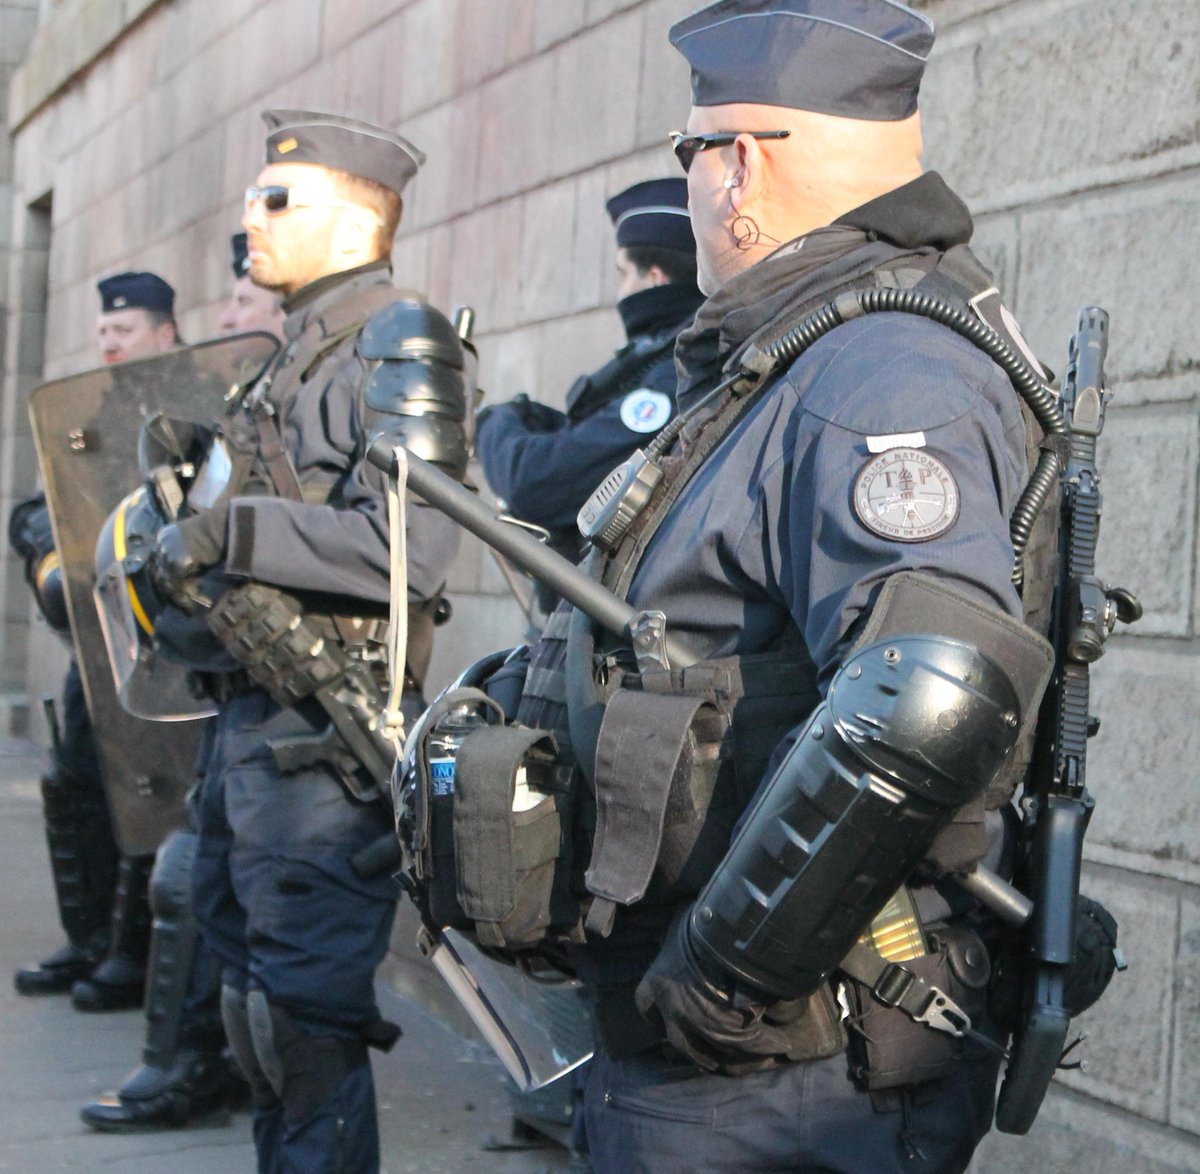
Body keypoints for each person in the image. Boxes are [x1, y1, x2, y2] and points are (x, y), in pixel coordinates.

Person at [491, 2, 1064, 1170]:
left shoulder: (881, 371)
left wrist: (722, 978)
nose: (692, 179)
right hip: (729, 1050)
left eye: (690, 152)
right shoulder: (808, 349)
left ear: (740, 163)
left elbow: (931, 698)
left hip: (773, 1068)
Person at [146, 111, 465, 1171]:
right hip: (248, 725)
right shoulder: (293, 353)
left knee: (302, 1028)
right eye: (252, 199)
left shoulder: (398, 339)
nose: (253, 219)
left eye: (277, 201)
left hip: (323, 746)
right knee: (252, 1016)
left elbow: (412, 548)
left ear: (359, 223)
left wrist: (233, 529)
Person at [80, 234, 285, 1133]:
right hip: (220, 674)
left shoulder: (302, 404)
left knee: (218, 890)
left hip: (291, 693)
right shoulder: (241, 405)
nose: (228, 315)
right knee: (192, 875)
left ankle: (203, 1066)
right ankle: (195, 1061)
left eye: (245, 299)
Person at [13, 272, 180, 1010]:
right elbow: (37, 505)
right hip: (95, 633)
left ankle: (133, 954)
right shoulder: (89, 408)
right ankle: (88, 942)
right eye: (105, 331)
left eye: (125, 330)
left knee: (147, 788)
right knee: (74, 780)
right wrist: (48, 550)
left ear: (164, 334)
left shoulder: (188, 402)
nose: (110, 343)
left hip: (159, 642)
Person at [475, 179, 701, 614]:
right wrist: (532, 417)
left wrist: (492, 422)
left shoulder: (673, 375)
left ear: (654, 278)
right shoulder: (666, 359)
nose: (620, 292)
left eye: (623, 274)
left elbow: (539, 482)